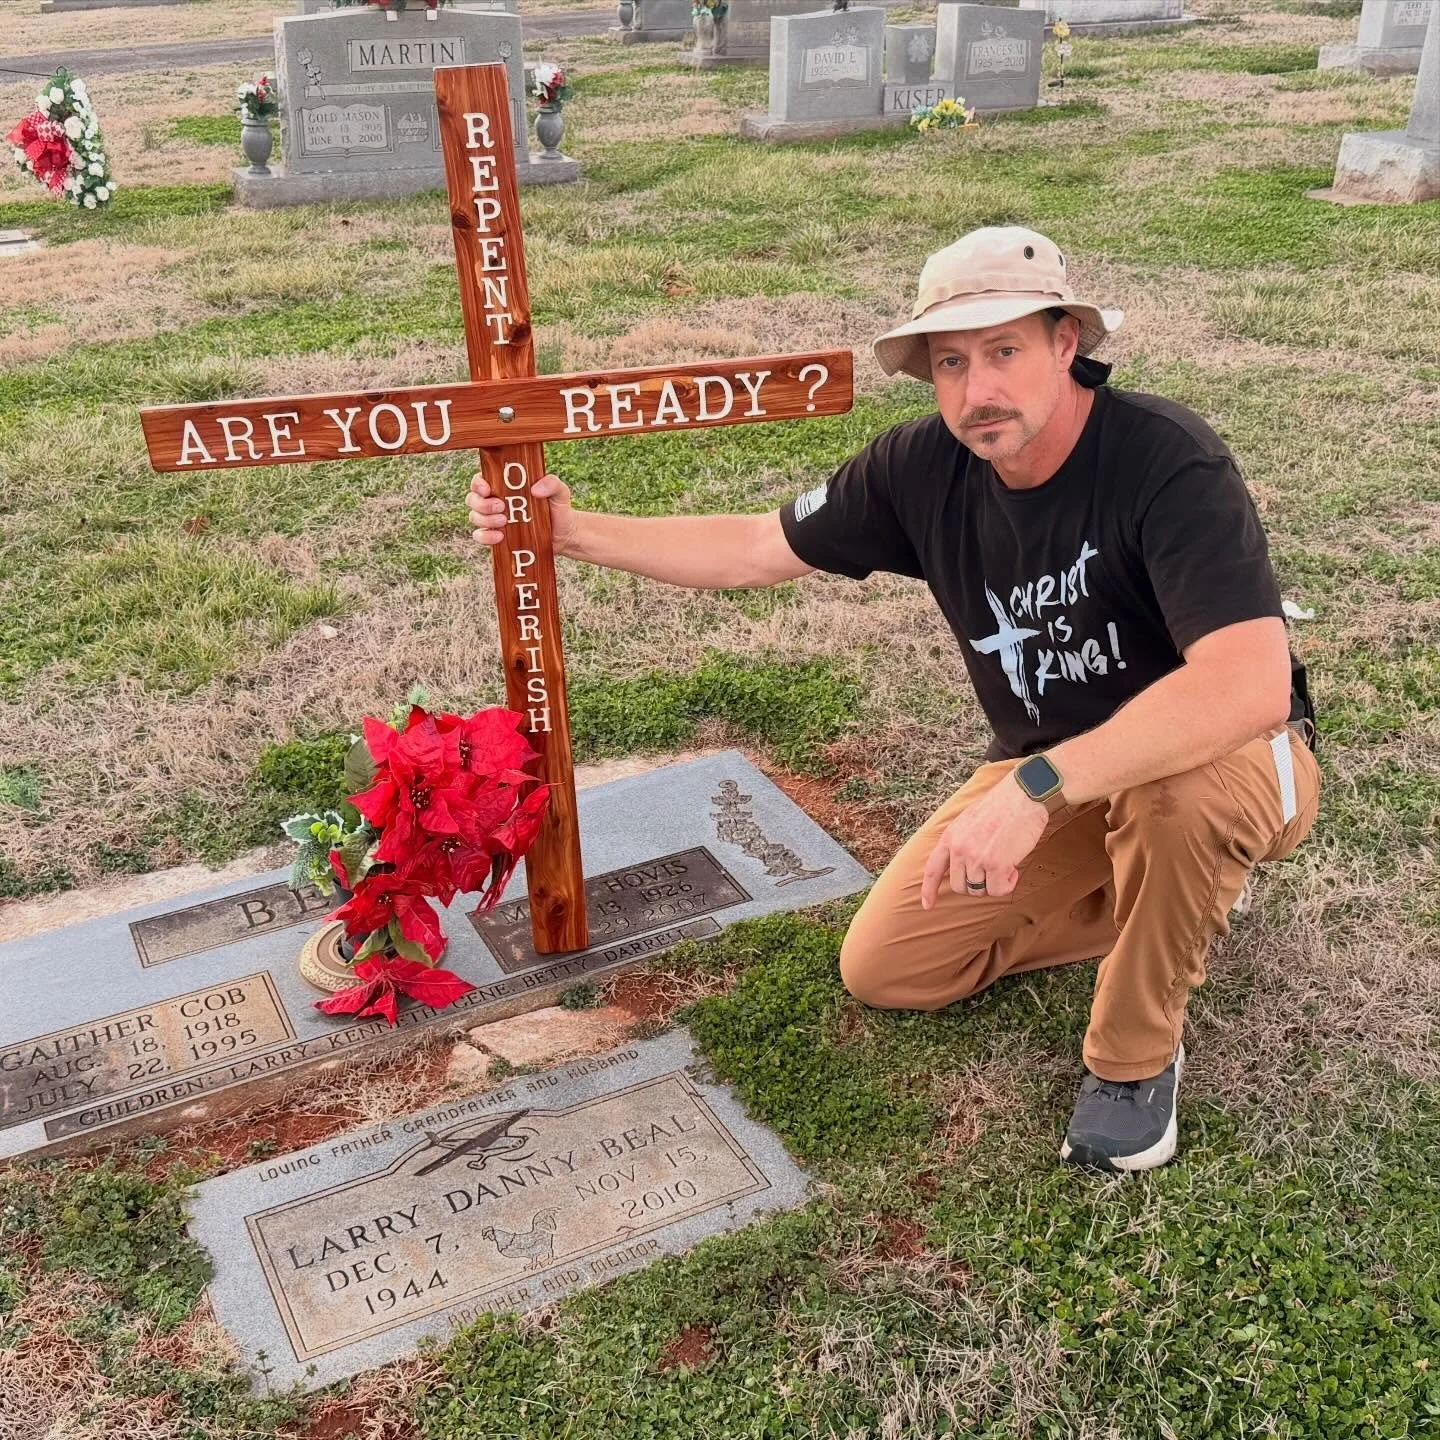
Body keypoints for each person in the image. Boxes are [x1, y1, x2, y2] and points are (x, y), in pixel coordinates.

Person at [468, 226, 1321, 1174]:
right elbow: (758, 547)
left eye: (1004, 351)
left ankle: (1132, 1063)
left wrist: (1032, 790)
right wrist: (572, 532)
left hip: (1232, 757)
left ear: (1066, 344)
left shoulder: (1166, 461)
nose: (977, 389)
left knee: (1173, 803)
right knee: (891, 969)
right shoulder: (921, 468)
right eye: (950, 362)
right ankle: (1164, 896)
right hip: (1062, 774)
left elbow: (1247, 686)